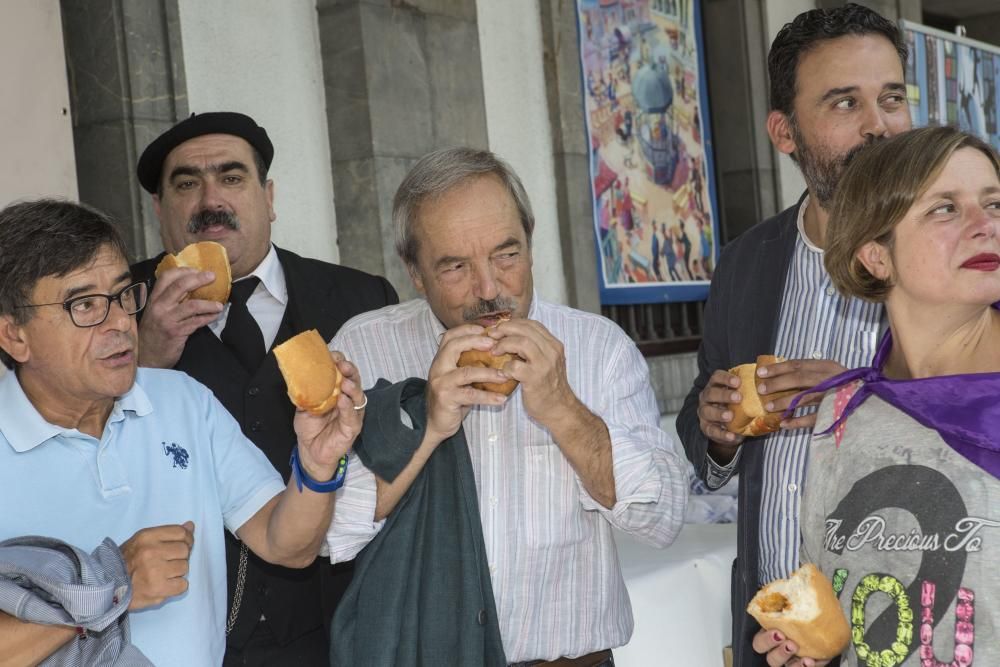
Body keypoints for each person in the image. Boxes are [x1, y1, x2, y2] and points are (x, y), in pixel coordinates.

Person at [326, 147, 688, 665]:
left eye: (506, 254)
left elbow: (664, 520)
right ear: (414, 270)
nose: (490, 289)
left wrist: (563, 408)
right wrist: (425, 426)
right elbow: (326, 535)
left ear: (531, 242)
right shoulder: (365, 347)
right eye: (455, 266)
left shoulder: (599, 347)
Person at [0, 199, 365, 666]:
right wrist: (109, 589)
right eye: (84, 305)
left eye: (122, 294)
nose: (119, 323)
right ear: (15, 336)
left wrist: (316, 467)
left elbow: (285, 544)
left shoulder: (183, 401)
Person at [674, 5, 912, 664]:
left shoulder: (954, 256)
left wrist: (857, 396)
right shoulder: (747, 261)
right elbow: (704, 429)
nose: (880, 126)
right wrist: (716, 429)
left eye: (891, 98)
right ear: (784, 132)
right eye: (845, 103)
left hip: (911, 627)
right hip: (776, 634)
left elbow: (983, 414)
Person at [129, 111, 398, 665]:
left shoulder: (361, 298)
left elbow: (402, 449)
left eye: (231, 177)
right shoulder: (116, 306)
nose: (210, 200)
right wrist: (148, 352)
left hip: (343, 626)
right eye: (186, 183)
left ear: (268, 196)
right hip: (183, 629)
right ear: (159, 209)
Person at [755, 125, 1000, 666]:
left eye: (994, 203)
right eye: (945, 209)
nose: (987, 227)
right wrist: (813, 648)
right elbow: (841, 601)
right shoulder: (843, 413)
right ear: (876, 256)